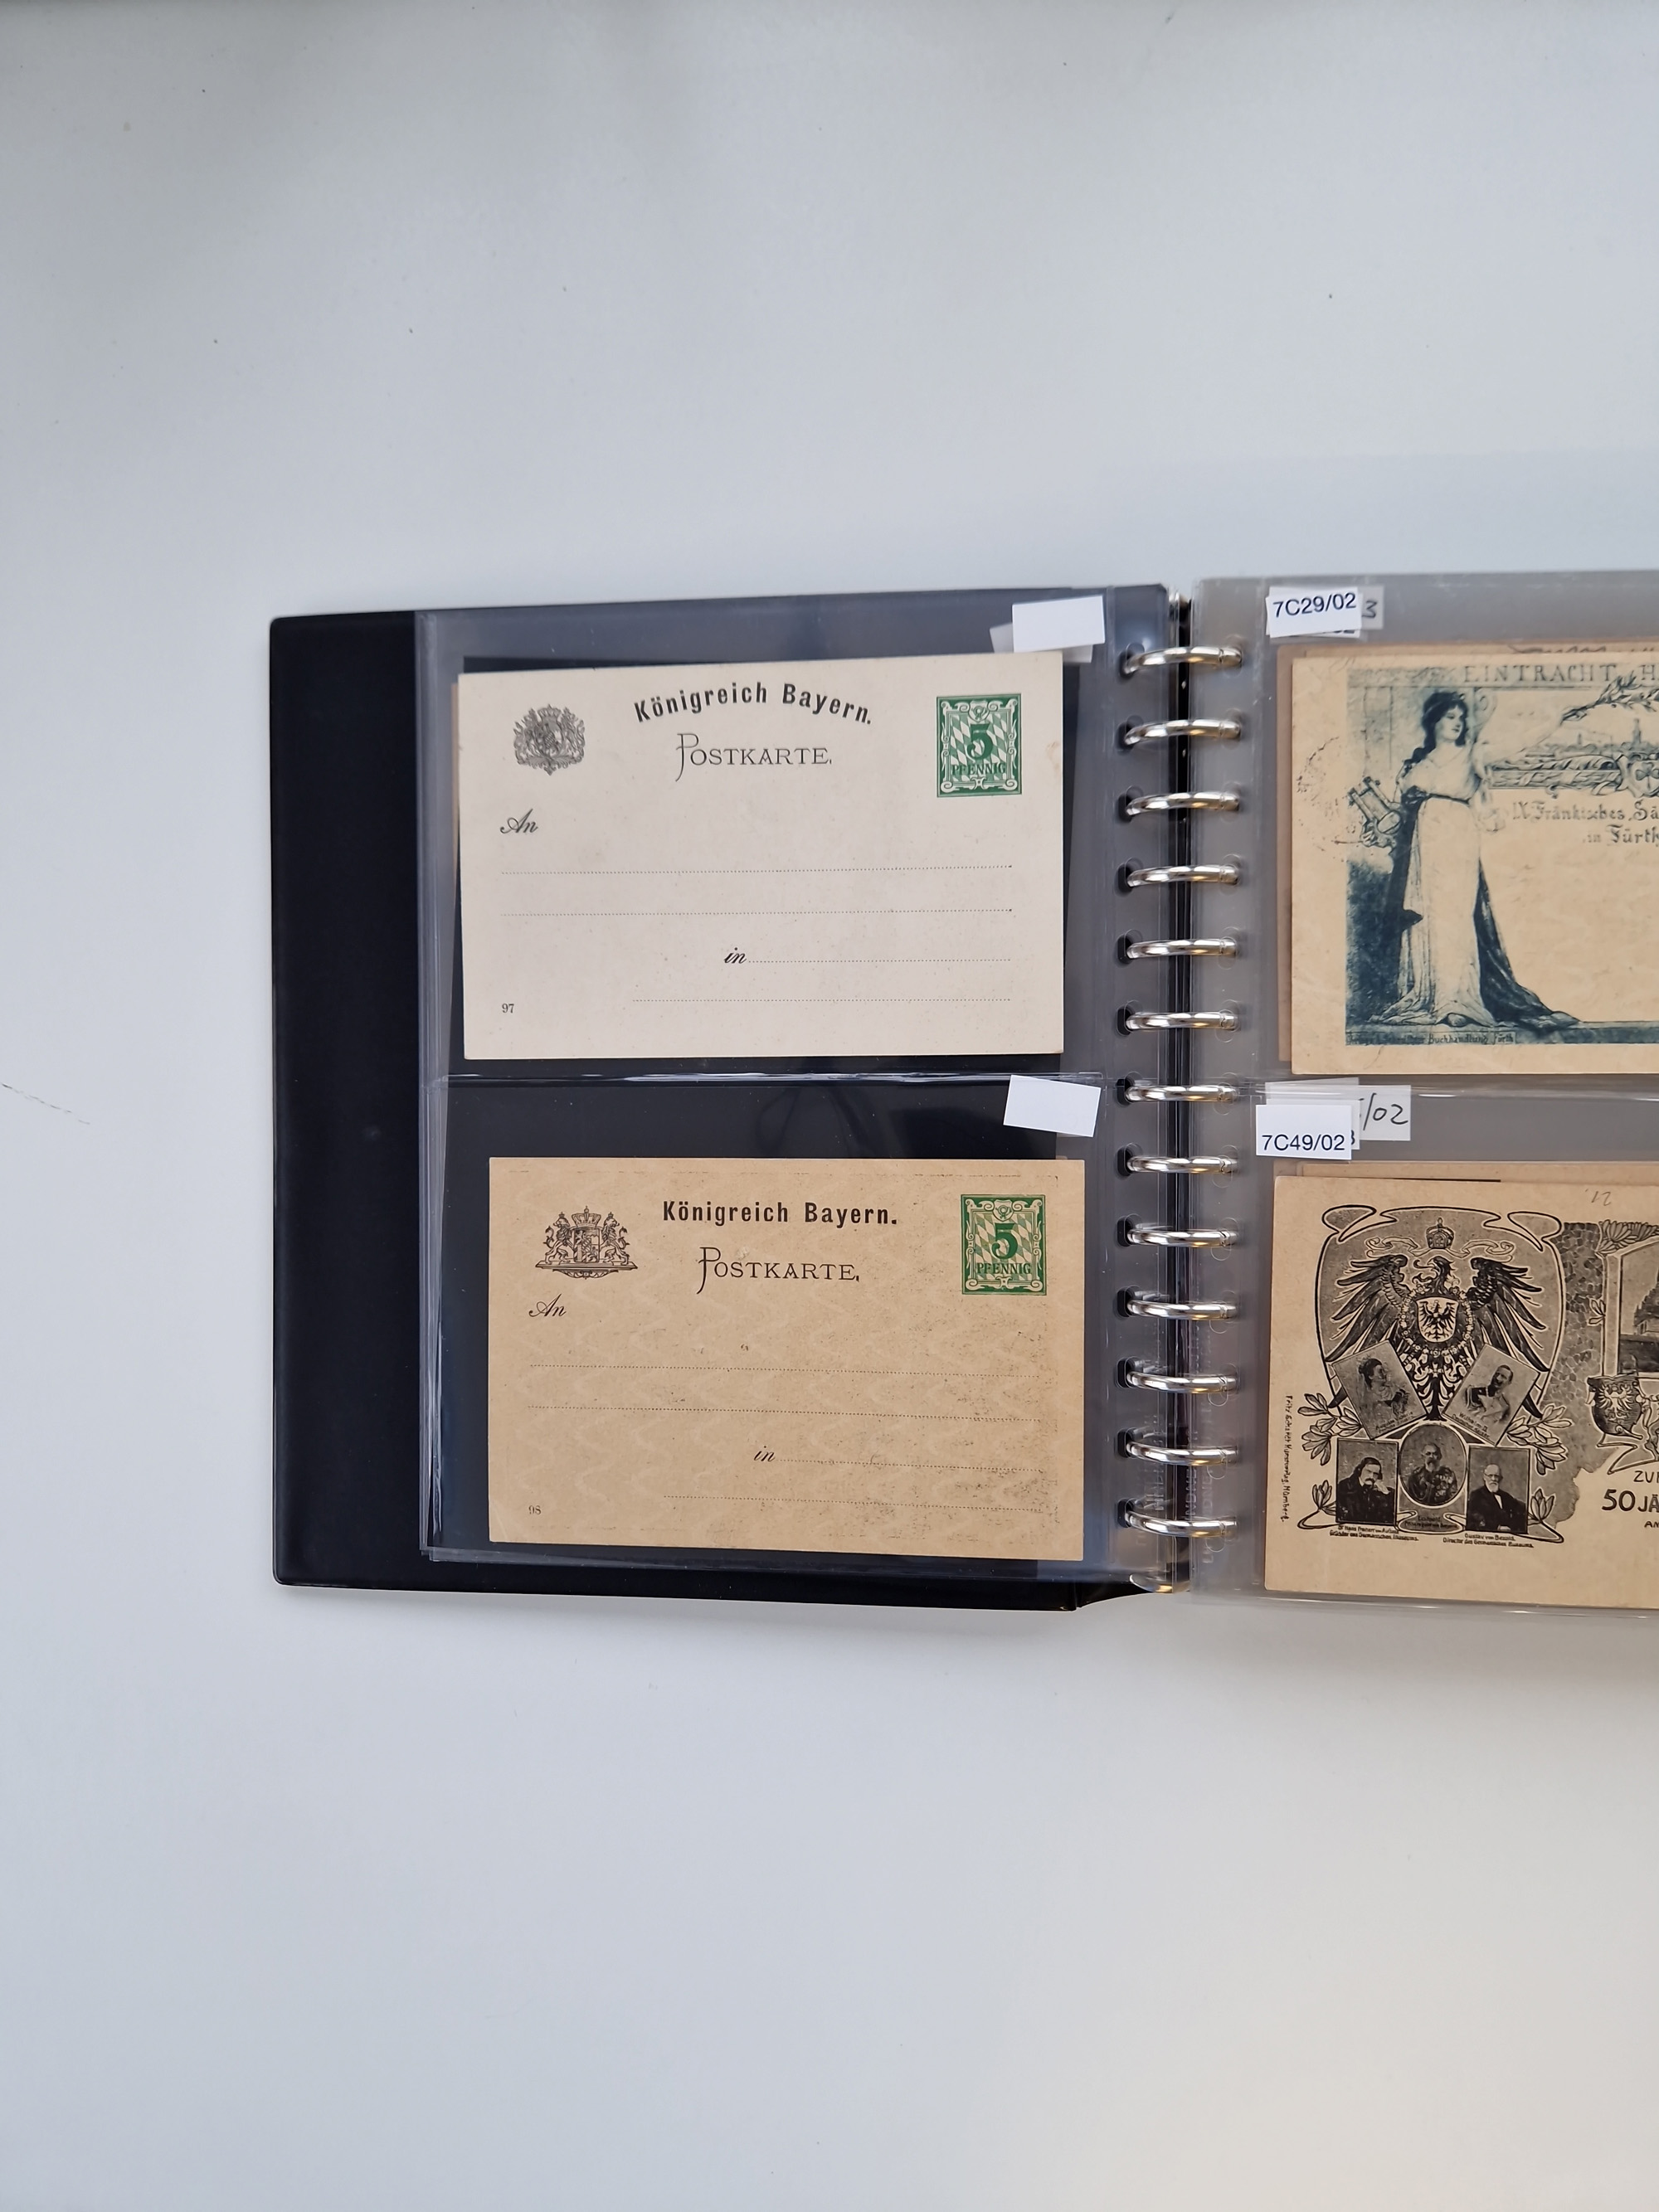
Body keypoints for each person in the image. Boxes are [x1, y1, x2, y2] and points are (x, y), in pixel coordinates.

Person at [1375, 690, 1574, 1033]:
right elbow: (1400, 807)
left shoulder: (1471, 754)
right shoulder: (1417, 764)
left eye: (1461, 718)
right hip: (1423, 846)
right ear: (1434, 721)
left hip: (1457, 836)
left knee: (1455, 916)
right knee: (1428, 919)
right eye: (1450, 717)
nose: (1458, 723)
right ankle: (1432, 998)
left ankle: (1459, 1000)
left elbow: (1517, 743)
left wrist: (1556, 719)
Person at [1466, 1459, 1528, 1534]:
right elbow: (1475, 1517)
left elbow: (1520, 1508)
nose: (1493, 1479)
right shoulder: (1476, 1495)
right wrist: (1497, 1527)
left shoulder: (1506, 1496)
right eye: (1490, 1476)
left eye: (1496, 1476)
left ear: (1500, 1479)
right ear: (1484, 1477)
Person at [1335, 1454, 1396, 1526]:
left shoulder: (1379, 1492)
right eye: (1368, 1472)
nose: (1371, 1476)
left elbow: (1386, 1519)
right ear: (1360, 1471)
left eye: (1375, 1474)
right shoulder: (1345, 1487)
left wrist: (1385, 1495)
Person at [1402, 1439, 1458, 1507]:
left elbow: (1453, 1500)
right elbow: (1409, 1501)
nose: (1431, 1457)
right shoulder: (1415, 1477)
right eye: (1428, 1454)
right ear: (1423, 1457)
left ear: (1439, 1457)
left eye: (1435, 1454)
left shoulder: (1449, 1475)